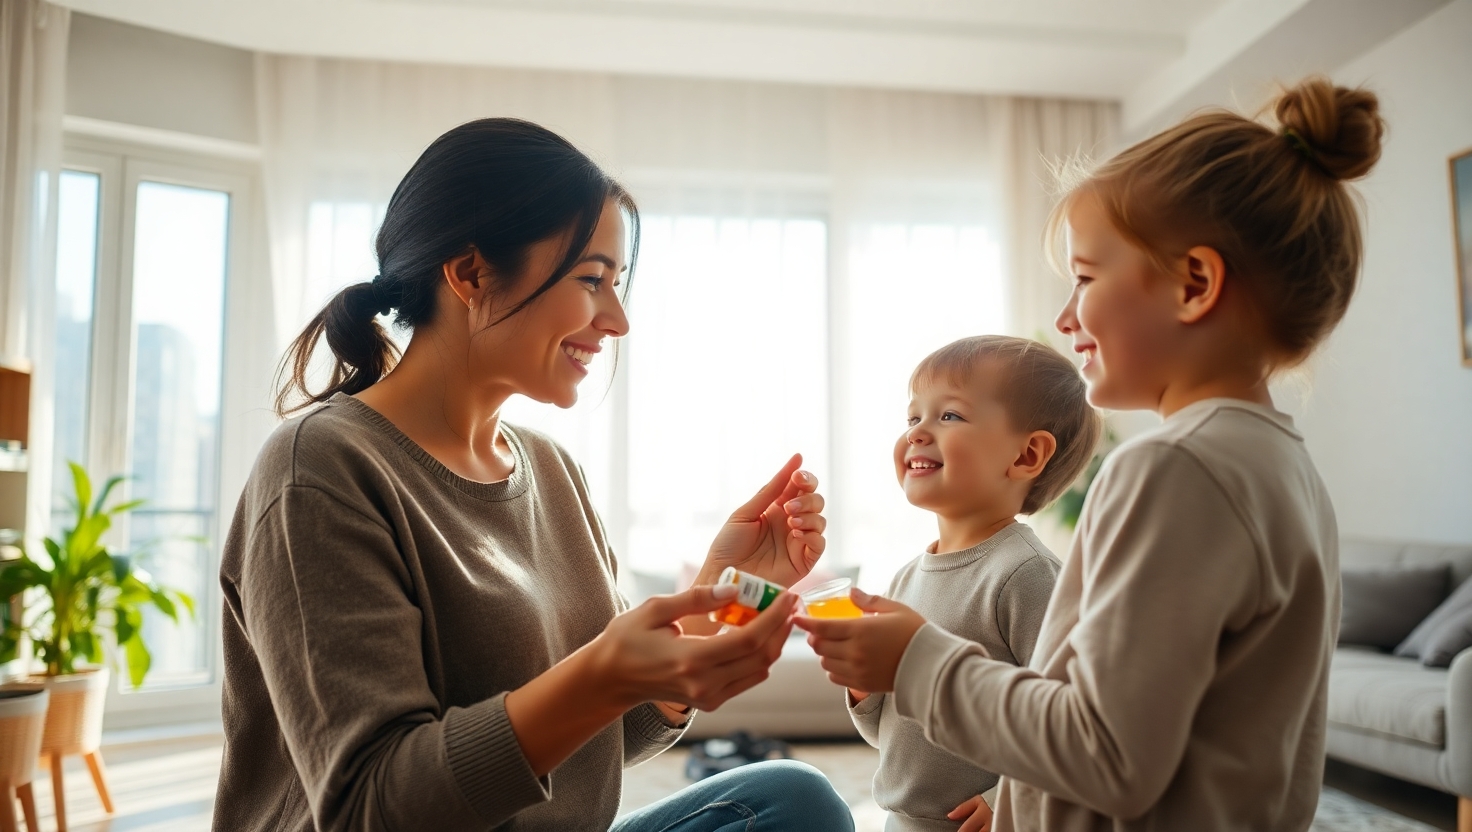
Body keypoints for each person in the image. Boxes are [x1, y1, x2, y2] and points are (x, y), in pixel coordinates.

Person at [212, 118, 855, 832]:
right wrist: (602, 673)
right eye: (592, 280)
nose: (617, 320)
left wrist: (711, 598)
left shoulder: (550, 469)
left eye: (619, 284)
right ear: (470, 273)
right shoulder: (322, 469)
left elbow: (610, 734)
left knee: (794, 802)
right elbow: (372, 806)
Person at [799, 76, 1384, 831]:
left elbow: (1105, 754)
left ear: (1194, 284)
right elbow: (1146, 735)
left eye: (1084, 278)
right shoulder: (1285, 468)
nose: (1063, 315)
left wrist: (915, 659)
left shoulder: (1176, 469)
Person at [847, 335, 1099, 832]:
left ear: (1027, 455)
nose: (918, 432)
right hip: (901, 821)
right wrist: (862, 691)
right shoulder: (906, 577)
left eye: (949, 416)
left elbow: (1064, 722)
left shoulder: (1025, 574)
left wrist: (1004, 797)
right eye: (913, 417)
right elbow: (887, 736)